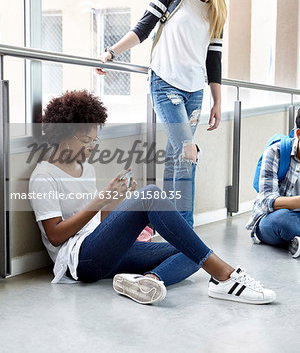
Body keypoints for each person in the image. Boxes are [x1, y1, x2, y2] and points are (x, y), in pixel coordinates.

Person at [29, 90, 276, 305]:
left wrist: (118, 200)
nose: (92, 147)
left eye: (95, 140)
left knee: (191, 250)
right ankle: (223, 274)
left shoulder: (87, 169)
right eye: (85, 140)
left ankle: (148, 283)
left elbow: (101, 224)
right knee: (151, 195)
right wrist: (104, 199)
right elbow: (56, 235)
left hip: (102, 250)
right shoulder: (43, 175)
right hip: (81, 260)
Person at [95, 0, 226, 227]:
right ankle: (185, 231)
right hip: (165, 84)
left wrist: (217, 100)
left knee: (176, 162)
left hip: (194, 93)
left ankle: (169, 229)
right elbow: (142, 28)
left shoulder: (217, 9)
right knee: (187, 153)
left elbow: (213, 59)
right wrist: (111, 52)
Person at [246, 110, 300, 258]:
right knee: (284, 220)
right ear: (299, 134)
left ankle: (296, 242)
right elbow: (266, 200)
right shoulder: (275, 152)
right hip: (273, 219)